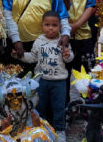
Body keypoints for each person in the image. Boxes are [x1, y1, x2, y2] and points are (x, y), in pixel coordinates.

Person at [3, 0, 71, 74]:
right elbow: (7, 14)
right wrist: (16, 40)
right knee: (20, 82)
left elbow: (62, 13)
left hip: (44, 41)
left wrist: (66, 33)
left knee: (42, 77)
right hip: (19, 42)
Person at [13, 11, 74, 142]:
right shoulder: (39, 41)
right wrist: (19, 55)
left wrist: (68, 55)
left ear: (60, 27)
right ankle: (42, 128)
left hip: (59, 82)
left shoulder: (63, 40)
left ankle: (60, 130)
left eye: (54, 25)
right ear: (42, 25)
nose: (50, 28)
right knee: (40, 106)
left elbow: (69, 59)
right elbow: (32, 58)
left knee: (59, 107)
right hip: (41, 81)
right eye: (47, 25)